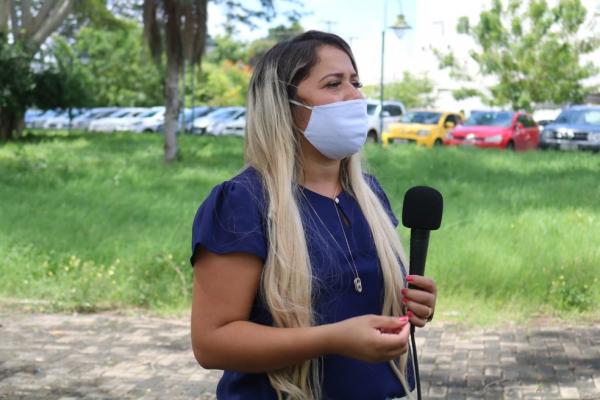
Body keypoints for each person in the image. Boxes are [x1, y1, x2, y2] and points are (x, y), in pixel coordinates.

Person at [190, 30, 437, 400]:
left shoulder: (369, 195)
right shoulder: (243, 203)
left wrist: (411, 305)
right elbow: (211, 343)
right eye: (334, 84)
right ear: (285, 105)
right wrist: (333, 339)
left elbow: (358, 298)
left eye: (356, 82)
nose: (355, 96)